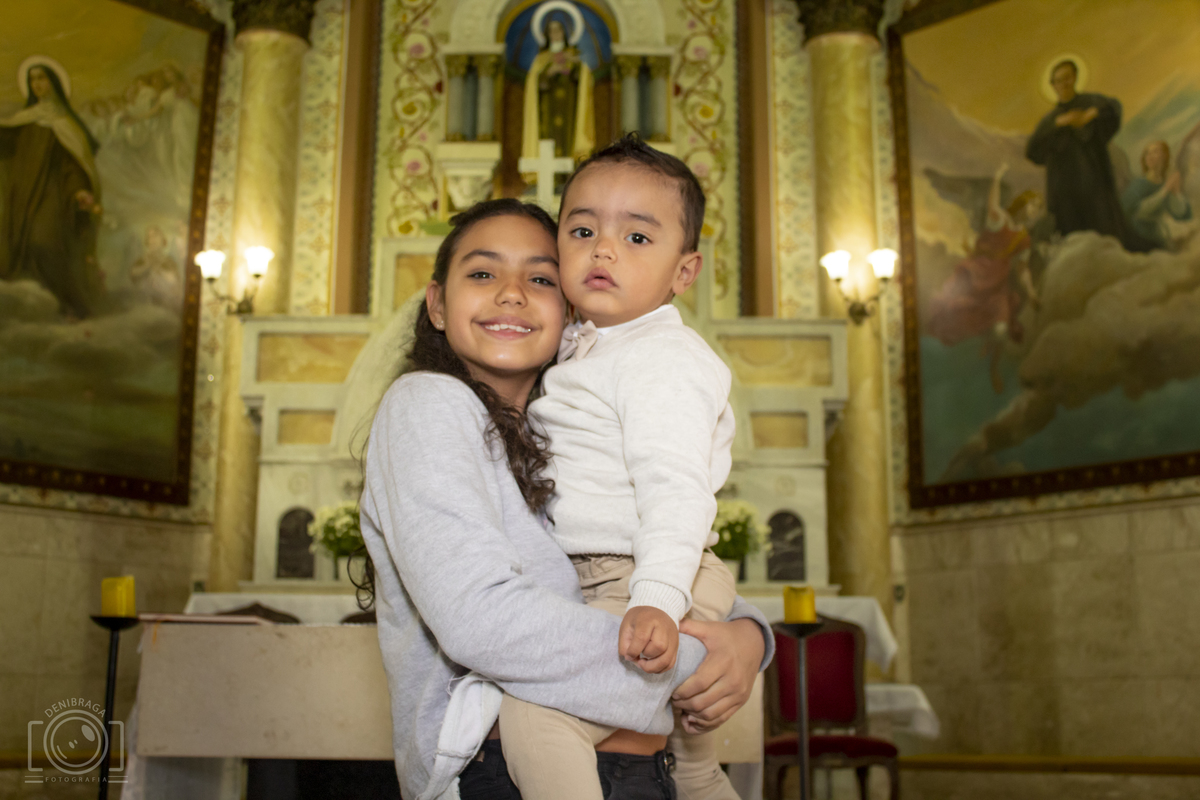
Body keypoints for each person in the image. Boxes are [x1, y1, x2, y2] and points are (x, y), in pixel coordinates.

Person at [359, 198, 772, 800]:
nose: (510, 294)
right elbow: (482, 621)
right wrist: (692, 660)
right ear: (438, 305)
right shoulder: (428, 405)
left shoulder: (563, 426)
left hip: (638, 772)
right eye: (482, 272)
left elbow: (641, 547)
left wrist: (747, 635)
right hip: (499, 775)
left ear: (571, 307)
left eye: (541, 279)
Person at [497, 135, 745, 800]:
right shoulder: (585, 346)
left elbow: (675, 490)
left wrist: (656, 599)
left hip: (640, 576)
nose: (603, 250)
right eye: (583, 231)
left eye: (637, 238)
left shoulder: (664, 360)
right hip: (607, 578)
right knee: (692, 768)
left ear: (684, 272)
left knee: (537, 716)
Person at [927, 164, 1042, 394]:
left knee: (1000, 329)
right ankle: (959, 364)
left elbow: (1022, 268)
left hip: (997, 285)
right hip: (975, 275)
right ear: (1023, 203)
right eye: (1033, 205)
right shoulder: (999, 220)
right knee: (956, 312)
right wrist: (997, 178)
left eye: (1038, 209)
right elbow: (992, 205)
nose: (1035, 212)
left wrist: (1031, 293)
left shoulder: (1023, 238)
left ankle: (993, 368)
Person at [0, 61, 102, 319]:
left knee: (43, 242)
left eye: (42, 78)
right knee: (13, 247)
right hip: (21, 195)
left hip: (50, 195)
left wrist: (79, 190)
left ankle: (76, 306)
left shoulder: (64, 123)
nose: (37, 84)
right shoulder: (24, 120)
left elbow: (73, 164)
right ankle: (34, 311)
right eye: (32, 79)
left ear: (54, 83)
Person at [1025, 59, 1127, 244]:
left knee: (1104, 232)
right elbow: (1032, 151)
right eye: (1058, 81)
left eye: (1067, 78)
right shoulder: (1051, 119)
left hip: (1095, 181)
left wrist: (1091, 114)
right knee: (1071, 237)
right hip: (1064, 189)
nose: (1063, 84)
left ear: (1074, 78)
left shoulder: (1091, 102)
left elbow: (1114, 108)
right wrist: (1059, 123)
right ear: (1053, 86)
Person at [521, 14, 594, 175]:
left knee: (568, 141)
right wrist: (549, 73)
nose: (555, 34)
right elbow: (534, 85)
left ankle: (568, 176)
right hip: (547, 111)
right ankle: (548, 177)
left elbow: (583, 80)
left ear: (564, 33)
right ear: (547, 35)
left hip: (569, 109)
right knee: (548, 142)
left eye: (558, 30)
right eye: (552, 31)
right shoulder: (541, 60)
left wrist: (575, 65)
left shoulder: (573, 57)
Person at [1121, 140, 1193, 251]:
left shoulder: (1164, 184)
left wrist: (1176, 192)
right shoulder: (1138, 184)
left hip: (1160, 239)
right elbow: (1135, 211)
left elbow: (1180, 214)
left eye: (1155, 152)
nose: (1149, 156)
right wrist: (1165, 190)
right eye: (1147, 153)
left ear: (1164, 156)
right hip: (1140, 239)